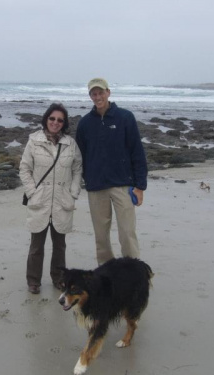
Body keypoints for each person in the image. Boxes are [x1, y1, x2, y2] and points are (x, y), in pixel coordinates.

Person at [76, 78, 148, 265]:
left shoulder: (125, 117)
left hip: (123, 186)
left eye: (101, 92)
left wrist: (140, 186)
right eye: (94, 93)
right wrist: (87, 179)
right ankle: (106, 275)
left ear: (108, 92)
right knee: (101, 237)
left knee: (127, 233)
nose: (97, 96)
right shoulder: (85, 124)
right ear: (90, 96)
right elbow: (80, 157)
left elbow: (137, 152)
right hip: (96, 187)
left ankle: (133, 273)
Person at [19, 103, 82, 294]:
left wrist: (73, 193)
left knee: (59, 246)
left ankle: (58, 279)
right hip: (40, 200)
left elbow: (77, 169)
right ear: (46, 119)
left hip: (62, 201)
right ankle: (33, 281)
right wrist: (32, 192)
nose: (55, 122)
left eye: (60, 120)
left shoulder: (70, 144)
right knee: (36, 246)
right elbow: (24, 168)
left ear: (64, 123)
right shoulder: (34, 141)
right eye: (52, 118)